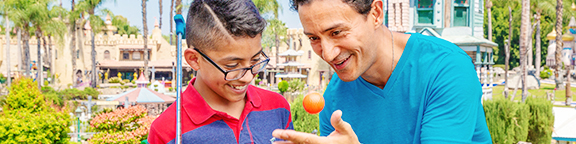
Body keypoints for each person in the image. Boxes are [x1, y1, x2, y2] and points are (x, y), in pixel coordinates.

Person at [272, 0, 492, 143]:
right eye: (313, 38)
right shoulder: (333, 99)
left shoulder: (446, 68)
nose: (327, 54)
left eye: (336, 32)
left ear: (376, 13)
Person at [148, 0, 293, 143]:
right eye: (233, 65)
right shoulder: (166, 132)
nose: (248, 78)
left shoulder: (278, 107)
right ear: (194, 59)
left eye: (255, 60)